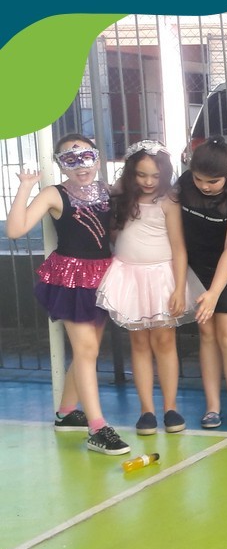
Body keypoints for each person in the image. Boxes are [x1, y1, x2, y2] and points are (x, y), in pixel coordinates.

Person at [6, 134, 129, 454]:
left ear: (97, 159)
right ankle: (97, 427)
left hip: (103, 276)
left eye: (86, 157)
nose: (80, 166)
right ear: (60, 165)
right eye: (70, 160)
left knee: (88, 351)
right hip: (71, 279)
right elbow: (16, 230)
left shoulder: (108, 190)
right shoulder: (54, 193)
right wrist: (25, 186)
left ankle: (66, 412)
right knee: (86, 350)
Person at [96, 140, 193, 435]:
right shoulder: (121, 197)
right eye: (141, 175)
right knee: (138, 343)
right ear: (131, 173)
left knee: (164, 342)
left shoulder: (169, 201)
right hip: (129, 276)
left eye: (155, 176)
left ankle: (170, 407)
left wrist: (179, 288)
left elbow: (179, 248)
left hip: (162, 276)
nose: (148, 181)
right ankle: (146, 410)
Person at [176, 137, 227, 433]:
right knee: (207, 334)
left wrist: (213, 294)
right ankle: (212, 406)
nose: (204, 186)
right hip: (197, 266)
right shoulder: (184, 184)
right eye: (198, 179)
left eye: (212, 181)